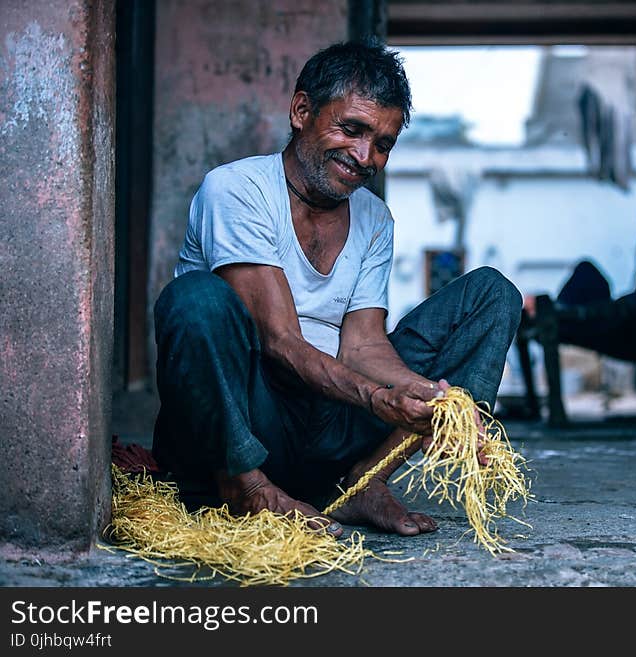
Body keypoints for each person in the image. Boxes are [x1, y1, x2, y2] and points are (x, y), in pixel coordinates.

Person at [151, 40, 522, 538]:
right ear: (302, 110)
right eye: (351, 129)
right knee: (194, 299)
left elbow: (364, 344)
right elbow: (281, 342)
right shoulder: (237, 189)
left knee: (493, 294)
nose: (365, 156)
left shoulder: (373, 218)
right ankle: (245, 487)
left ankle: (363, 481)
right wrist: (376, 398)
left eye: (384, 143)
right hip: (249, 422)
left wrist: (425, 394)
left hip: (328, 428)